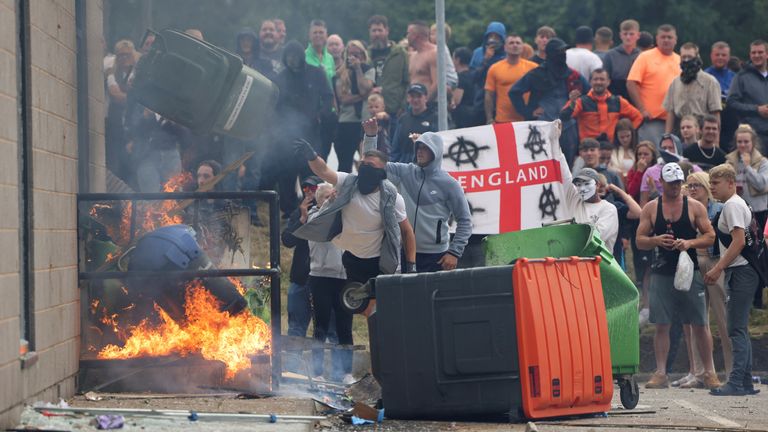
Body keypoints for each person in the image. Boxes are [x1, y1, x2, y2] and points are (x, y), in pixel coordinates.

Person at [293, 140, 418, 308]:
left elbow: (407, 232)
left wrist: (411, 266)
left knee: (384, 308)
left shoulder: (392, 197)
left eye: (370, 165)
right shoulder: (348, 182)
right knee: (361, 308)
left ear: (381, 172)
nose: (365, 168)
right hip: (351, 256)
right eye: (363, 164)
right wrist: (312, 156)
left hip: (379, 260)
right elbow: (323, 171)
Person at [636, 162, 720, 389]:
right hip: (662, 270)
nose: (674, 188)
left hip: (689, 270)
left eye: (677, 184)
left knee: (700, 323)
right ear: (661, 183)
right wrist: (655, 240)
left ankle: (709, 372)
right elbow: (639, 241)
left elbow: (711, 236)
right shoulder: (652, 208)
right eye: (670, 184)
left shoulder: (693, 207)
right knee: (662, 323)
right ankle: (661, 372)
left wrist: (690, 242)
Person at [362, 119, 472, 272]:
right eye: (418, 147)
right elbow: (371, 166)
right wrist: (371, 136)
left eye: (425, 148)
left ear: (436, 152)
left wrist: (454, 252)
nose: (420, 151)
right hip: (405, 252)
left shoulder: (449, 184)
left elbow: (465, 221)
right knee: (407, 296)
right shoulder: (405, 172)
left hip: (437, 257)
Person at [706, 164, 762, 396]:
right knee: (740, 328)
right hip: (743, 271)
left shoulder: (732, 206)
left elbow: (738, 241)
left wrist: (718, 268)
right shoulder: (737, 204)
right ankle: (745, 382)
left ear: (731, 183)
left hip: (741, 271)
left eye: (716, 183)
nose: (712, 188)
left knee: (735, 328)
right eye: (711, 183)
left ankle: (736, 382)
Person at [263, 40, 334, 218]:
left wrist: (320, 115)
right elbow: (272, 105)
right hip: (286, 136)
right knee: (286, 174)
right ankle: (289, 213)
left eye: (295, 56)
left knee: (310, 173)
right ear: (285, 58)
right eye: (289, 56)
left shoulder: (316, 73)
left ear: (302, 56)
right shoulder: (280, 78)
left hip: (311, 133)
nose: (292, 59)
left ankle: (313, 210)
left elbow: (328, 97)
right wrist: (277, 127)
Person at [683, 171, 732, 384]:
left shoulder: (720, 208)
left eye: (698, 185)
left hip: (716, 261)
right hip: (694, 264)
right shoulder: (684, 210)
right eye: (690, 185)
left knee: (725, 320)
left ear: (706, 187)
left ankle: (733, 372)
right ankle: (700, 372)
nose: (693, 189)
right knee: (697, 320)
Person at [510, 38, 589, 166]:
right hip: (542, 125)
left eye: (564, 50)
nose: (562, 54)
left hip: (568, 126)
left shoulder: (573, 75)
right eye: (559, 51)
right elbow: (514, 92)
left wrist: (578, 106)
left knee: (567, 166)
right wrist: (528, 112)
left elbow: (589, 94)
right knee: (542, 164)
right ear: (551, 54)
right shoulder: (537, 74)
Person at [307, 183, 353, 384]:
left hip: (343, 278)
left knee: (345, 327)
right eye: (325, 197)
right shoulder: (313, 217)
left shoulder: (345, 217)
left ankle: (346, 372)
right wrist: (329, 204)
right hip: (320, 277)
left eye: (332, 196)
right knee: (321, 326)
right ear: (318, 200)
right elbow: (321, 224)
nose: (330, 199)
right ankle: (317, 372)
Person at [725, 125, 768, 308]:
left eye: (746, 142)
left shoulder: (762, 161)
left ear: (753, 143)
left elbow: (762, 184)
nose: (742, 145)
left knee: (758, 254)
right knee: (739, 252)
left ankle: (758, 297)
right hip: (738, 211)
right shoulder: (730, 160)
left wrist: (748, 167)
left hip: (758, 212)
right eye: (739, 142)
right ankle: (739, 296)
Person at [281, 176, 325, 341]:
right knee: (295, 329)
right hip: (300, 278)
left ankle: (322, 366)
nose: (307, 192)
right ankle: (293, 367)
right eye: (305, 188)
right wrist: (302, 219)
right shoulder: (299, 212)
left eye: (312, 189)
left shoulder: (331, 212)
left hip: (323, 278)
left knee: (322, 329)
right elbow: (287, 240)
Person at [627, 24, 681, 145]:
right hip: (652, 120)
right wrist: (641, 109)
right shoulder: (645, 57)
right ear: (657, 39)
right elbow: (631, 83)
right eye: (663, 37)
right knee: (652, 157)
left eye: (669, 37)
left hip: (675, 121)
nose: (666, 40)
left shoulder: (680, 60)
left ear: (675, 39)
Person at [560, 68, 642, 142]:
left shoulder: (618, 101)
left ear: (608, 82)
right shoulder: (581, 102)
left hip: (611, 149)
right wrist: (572, 103)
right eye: (596, 79)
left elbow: (638, 117)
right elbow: (564, 116)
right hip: (588, 149)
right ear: (590, 82)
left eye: (602, 79)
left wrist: (625, 135)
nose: (598, 82)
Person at [557, 163, 619, 252]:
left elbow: (596, 237)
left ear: (597, 185)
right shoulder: (574, 200)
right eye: (578, 185)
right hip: (573, 260)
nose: (582, 188)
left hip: (599, 263)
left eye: (586, 183)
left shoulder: (608, 209)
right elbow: (563, 172)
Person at [334, 40, 375, 173]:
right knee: (345, 164)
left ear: (363, 55)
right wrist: (363, 96)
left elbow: (365, 88)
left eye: (356, 54)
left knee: (369, 161)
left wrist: (358, 69)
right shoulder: (340, 73)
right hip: (346, 122)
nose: (353, 57)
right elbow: (343, 99)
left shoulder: (368, 69)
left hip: (365, 121)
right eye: (350, 54)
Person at [663, 42, 722, 134]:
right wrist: (667, 136)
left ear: (697, 57)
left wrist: (716, 140)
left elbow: (715, 113)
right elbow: (670, 112)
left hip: (703, 130)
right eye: (684, 57)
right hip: (681, 130)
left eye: (689, 57)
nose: (686, 60)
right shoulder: (675, 83)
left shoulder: (710, 81)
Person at [484, 34, 537, 124]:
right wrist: (489, 119)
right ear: (505, 47)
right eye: (511, 43)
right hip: (502, 120)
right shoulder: (495, 68)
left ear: (522, 47)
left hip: (527, 120)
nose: (515, 45)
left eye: (518, 43)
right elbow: (489, 95)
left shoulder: (533, 68)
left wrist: (540, 108)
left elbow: (542, 91)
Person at [105, 39, 138, 182]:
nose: (124, 58)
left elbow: (132, 99)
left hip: (134, 129)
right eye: (121, 55)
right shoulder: (112, 71)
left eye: (127, 55)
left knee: (134, 169)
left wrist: (128, 98)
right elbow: (116, 96)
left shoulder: (138, 71)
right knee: (115, 166)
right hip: (116, 128)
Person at [727, 40, 768, 147]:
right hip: (753, 136)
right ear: (750, 55)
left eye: (760, 52)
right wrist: (757, 109)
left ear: (767, 54)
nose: (756, 55)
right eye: (753, 53)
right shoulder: (741, 77)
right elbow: (731, 102)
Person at [368, 15, 410, 121]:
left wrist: (403, 105)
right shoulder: (366, 54)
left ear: (387, 31)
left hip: (394, 109)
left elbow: (407, 81)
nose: (377, 34)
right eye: (374, 31)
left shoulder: (400, 53)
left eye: (380, 30)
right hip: (371, 110)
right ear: (369, 32)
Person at [390, 83, 438, 163]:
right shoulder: (403, 119)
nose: (415, 100)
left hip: (426, 167)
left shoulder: (435, 118)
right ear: (408, 98)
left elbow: (438, 146)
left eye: (419, 96)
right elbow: (395, 148)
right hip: (404, 166)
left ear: (425, 98)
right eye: (412, 96)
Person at [603, 19, 640, 100]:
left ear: (638, 35)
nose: (628, 37)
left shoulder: (642, 56)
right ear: (620, 35)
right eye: (625, 34)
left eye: (631, 34)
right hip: (615, 97)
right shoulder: (610, 55)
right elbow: (605, 79)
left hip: (637, 98)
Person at [407, 20, 438, 101]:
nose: (407, 36)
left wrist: (426, 102)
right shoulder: (412, 56)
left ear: (416, 36)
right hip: (413, 105)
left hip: (429, 104)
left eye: (408, 33)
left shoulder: (434, 53)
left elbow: (437, 83)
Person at [451, 46, 480, 128]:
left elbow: (456, 101)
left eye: (453, 58)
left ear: (458, 60)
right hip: (476, 114)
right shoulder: (474, 74)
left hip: (463, 117)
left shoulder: (461, 77)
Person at [305, 20, 336, 85]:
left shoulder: (330, 58)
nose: (318, 35)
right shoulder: (303, 57)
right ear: (309, 35)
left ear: (326, 35)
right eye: (315, 33)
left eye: (321, 32)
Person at [429, 22, 458, 88]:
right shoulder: (441, 47)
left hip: (449, 79)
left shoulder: (440, 48)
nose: (430, 37)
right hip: (450, 79)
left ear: (441, 35)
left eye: (432, 34)